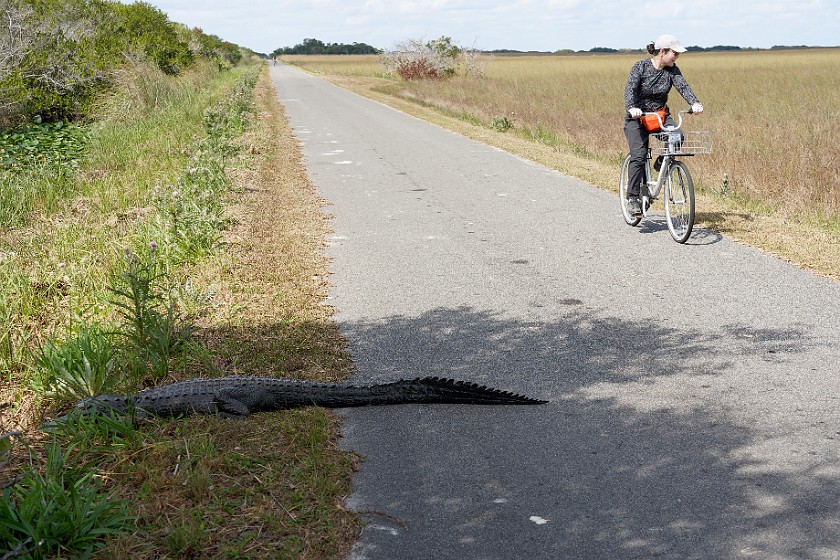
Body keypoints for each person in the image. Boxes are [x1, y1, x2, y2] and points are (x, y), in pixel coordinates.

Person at [624, 34, 704, 215]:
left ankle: (661, 163)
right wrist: (632, 108)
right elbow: (630, 89)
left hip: (659, 116)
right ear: (662, 52)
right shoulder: (641, 67)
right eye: (674, 53)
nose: (676, 57)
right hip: (637, 118)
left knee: (678, 137)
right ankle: (633, 198)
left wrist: (695, 103)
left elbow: (683, 87)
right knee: (639, 154)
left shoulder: (672, 70)